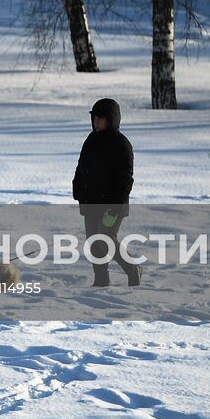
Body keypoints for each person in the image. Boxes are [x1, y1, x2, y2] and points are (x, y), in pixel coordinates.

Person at [72, 97, 141, 287]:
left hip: (112, 206)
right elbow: (81, 168)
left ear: (111, 119)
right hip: (91, 202)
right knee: (94, 242)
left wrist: (114, 206)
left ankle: (132, 268)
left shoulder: (121, 145)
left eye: (100, 118)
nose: (96, 122)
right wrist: (77, 188)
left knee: (106, 240)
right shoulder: (90, 140)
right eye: (94, 118)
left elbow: (125, 180)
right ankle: (101, 278)